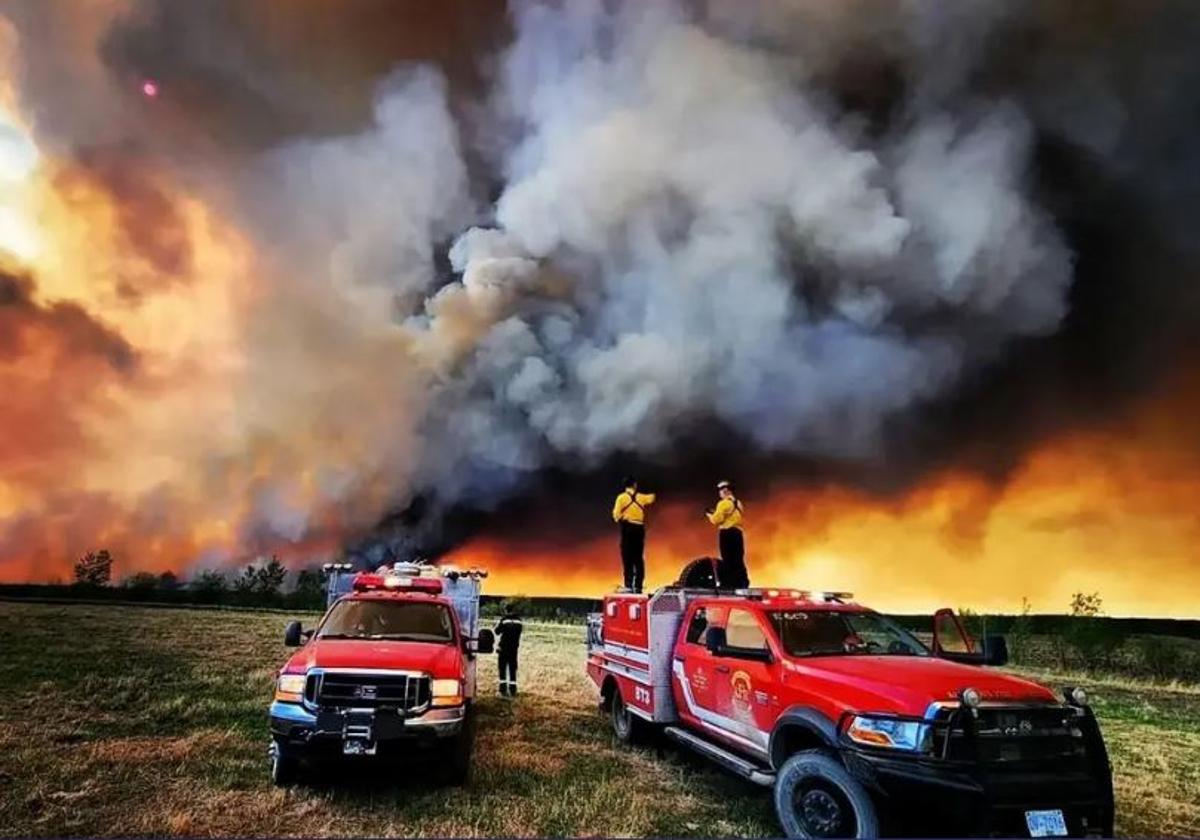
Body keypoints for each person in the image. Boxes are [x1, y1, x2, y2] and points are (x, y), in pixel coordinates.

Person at [612, 477, 656, 593]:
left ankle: (628, 585)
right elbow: (652, 498)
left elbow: (616, 515)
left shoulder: (621, 498)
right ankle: (638, 586)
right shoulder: (641, 497)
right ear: (635, 485)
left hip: (628, 529)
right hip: (639, 529)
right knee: (638, 558)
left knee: (627, 557)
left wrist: (624, 518)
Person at [706, 480, 748, 589]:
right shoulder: (739, 504)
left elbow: (716, 520)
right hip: (738, 533)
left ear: (725, 491)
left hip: (727, 534)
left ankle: (730, 584)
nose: (720, 493)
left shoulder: (723, 503)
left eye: (720, 491)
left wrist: (710, 515)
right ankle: (742, 583)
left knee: (728, 559)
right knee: (738, 560)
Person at [495, 603, 523, 697]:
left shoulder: (504, 620)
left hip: (504, 647)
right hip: (514, 648)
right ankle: (513, 690)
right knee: (512, 668)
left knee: (502, 668)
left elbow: (497, 631)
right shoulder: (519, 621)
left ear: (506, 610)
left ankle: (503, 690)